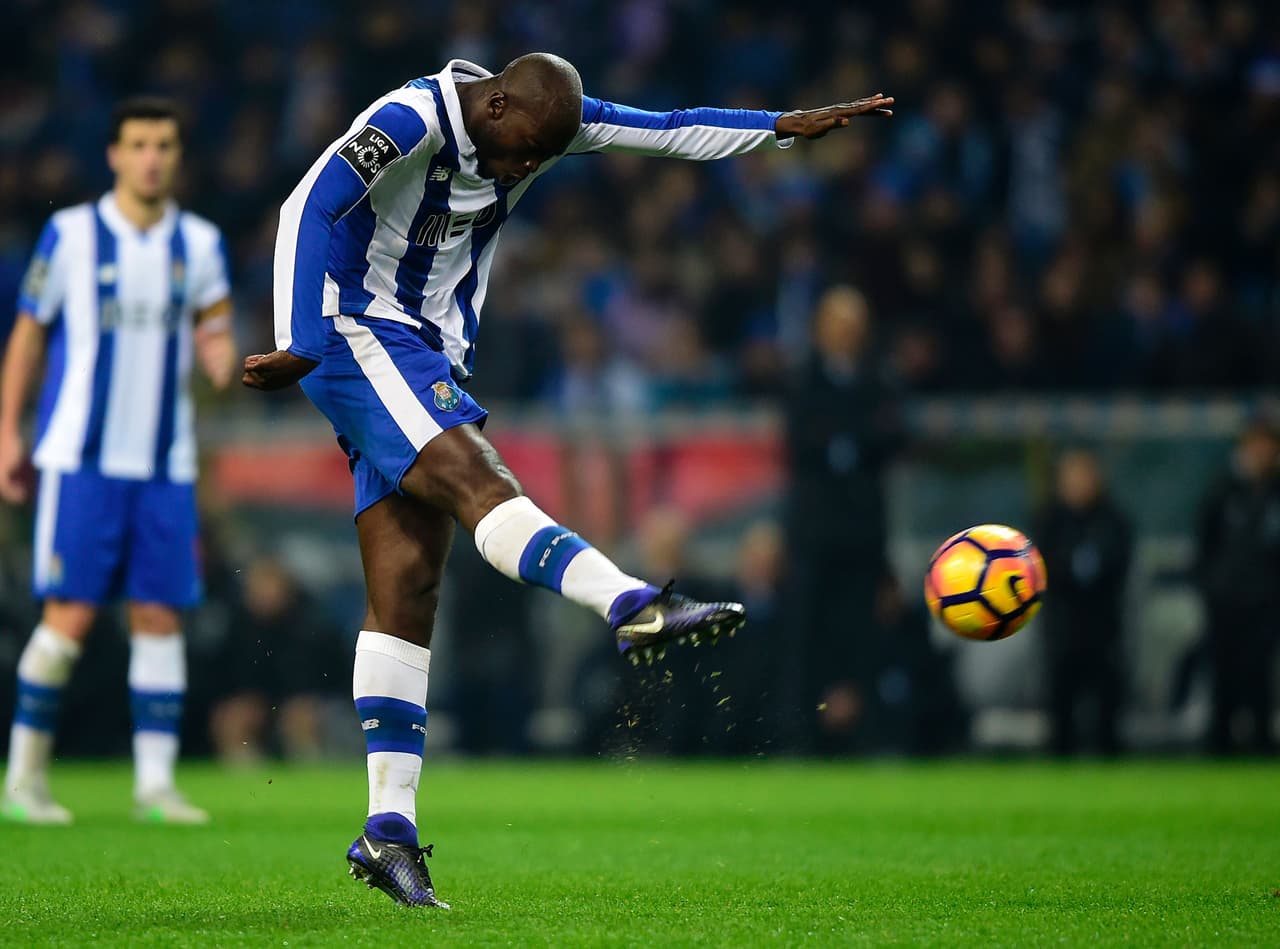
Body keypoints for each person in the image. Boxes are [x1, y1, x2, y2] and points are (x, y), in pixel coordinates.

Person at [242, 53, 892, 907]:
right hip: (353, 328)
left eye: (541, 157)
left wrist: (777, 129)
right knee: (479, 482)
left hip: (423, 346)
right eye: (519, 150)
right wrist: (297, 334)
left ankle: (387, 829)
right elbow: (311, 200)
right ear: (497, 102)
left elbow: (665, 131)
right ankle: (630, 602)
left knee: (407, 584)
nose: (523, 168)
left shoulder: (549, 120)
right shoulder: (412, 118)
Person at [0, 97, 237, 824]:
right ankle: (25, 779)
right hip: (82, 459)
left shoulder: (199, 242)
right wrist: (9, 431)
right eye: (138, 144)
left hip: (166, 463)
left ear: (177, 155)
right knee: (68, 619)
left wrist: (229, 363)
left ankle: (155, 785)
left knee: (160, 616)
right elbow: (29, 334)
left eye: (164, 143)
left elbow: (216, 331)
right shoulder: (70, 234)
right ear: (113, 154)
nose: (152, 157)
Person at [780, 286, 904, 754]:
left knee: (864, 639)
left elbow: (890, 439)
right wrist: (853, 444)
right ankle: (798, 739)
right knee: (804, 640)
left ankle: (865, 738)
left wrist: (841, 444)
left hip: (864, 535)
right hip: (813, 536)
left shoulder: (879, 381)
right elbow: (801, 443)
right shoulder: (803, 381)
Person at [1033, 450, 1132, 756]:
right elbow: (1039, 568)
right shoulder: (1048, 520)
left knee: (1106, 705)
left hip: (1103, 627)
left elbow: (1120, 564)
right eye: (1073, 477)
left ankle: (1110, 767)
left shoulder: (1113, 519)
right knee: (1060, 705)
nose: (1079, 484)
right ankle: (1058, 767)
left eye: (1085, 476)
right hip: (1061, 628)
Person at [1195, 421, 1280, 755]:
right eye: (1254, 445)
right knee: (1223, 673)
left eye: (1267, 445)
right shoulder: (1223, 490)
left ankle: (1261, 745)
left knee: (1259, 673)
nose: (1260, 453)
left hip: (1267, 601)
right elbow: (1204, 544)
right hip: (1225, 600)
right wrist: (1210, 586)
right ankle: (1219, 746)